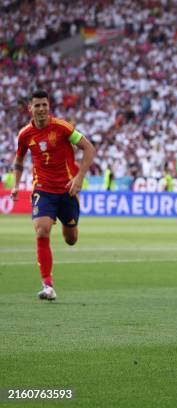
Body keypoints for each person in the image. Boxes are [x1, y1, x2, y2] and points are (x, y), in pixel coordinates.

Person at [11, 89, 96, 301]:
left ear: (49, 107)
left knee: (71, 239)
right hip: (43, 189)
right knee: (42, 231)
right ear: (29, 108)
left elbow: (89, 148)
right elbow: (19, 160)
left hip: (67, 189)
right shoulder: (25, 135)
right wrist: (15, 184)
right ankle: (47, 285)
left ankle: (69, 226)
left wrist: (78, 178)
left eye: (44, 105)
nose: (41, 109)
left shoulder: (62, 127)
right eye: (37, 105)